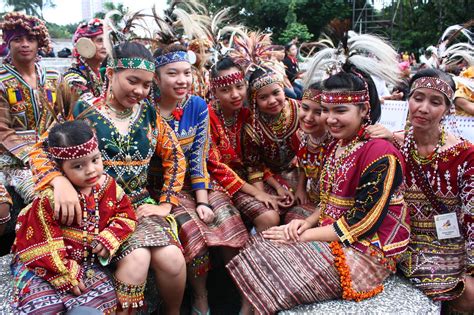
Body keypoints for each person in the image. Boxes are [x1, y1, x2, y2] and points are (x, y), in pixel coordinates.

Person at [227, 33, 409, 315]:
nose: (331, 119)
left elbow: (360, 225)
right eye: (326, 110)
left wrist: (302, 236)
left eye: (340, 110)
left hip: (368, 251)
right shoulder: (338, 144)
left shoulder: (379, 152)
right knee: (260, 244)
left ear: (363, 110)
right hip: (333, 232)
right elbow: (327, 200)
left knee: (271, 257)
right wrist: (305, 224)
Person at [29, 41, 187, 314]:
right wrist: (59, 181)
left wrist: (165, 205)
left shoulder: (149, 114)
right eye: (133, 81)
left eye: (147, 85)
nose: (139, 91)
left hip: (138, 205)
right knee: (137, 257)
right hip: (95, 204)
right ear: (111, 74)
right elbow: (41, 151)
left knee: (172, 259)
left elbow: (175, 157)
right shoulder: (83, 111)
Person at [151, 43, 249, 315]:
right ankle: (201, 297)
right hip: (162, 190)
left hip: (197, 183)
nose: (181, 80)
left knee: (229, 219)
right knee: (192, 232)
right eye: (172, 73)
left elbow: (198, 155)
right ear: (156, 78)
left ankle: (244, 295)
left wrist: (203, 200)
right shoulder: (146, 109)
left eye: (186, 73)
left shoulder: (197, 105)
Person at [369, 68, 474, 312]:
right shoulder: (393, 144)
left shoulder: (465, 154)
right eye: (418, 98)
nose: (423, 108)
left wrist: (471, 266)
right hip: (405, 240)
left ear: (448, 109)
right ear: (409, 100)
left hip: (452, 242)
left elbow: (471, 216)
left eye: (435, 102)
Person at [12, 120, 137, 314]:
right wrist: (64, 272)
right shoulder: (51, 199)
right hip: (45, 265)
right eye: (78, 166)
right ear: (60, 168)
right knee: (42, 307)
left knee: (102, 299)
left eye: (95, 160)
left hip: (86, 265)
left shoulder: (109, 186)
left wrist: (110, 236)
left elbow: (126, 214)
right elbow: (40, 241)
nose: (91, 170)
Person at [0, 12, 60, 236]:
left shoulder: (53, 77)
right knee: (46, 198)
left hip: (52, 154)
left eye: (31, 39)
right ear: (8, 43)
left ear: (40, 43)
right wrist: (31, 156)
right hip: (13, 162)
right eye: (17, 39)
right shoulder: (2, 80)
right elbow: (2, 130)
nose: (24, 44)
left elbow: (62, 116)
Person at [208, 56, 281, 231]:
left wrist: (276, 186)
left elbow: (256, 157)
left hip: (249, 176)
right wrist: (257, 192)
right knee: (268, 217)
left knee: (285, 201)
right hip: (218, 182)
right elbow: (214, 166)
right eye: (225, 90)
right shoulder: (207, 116)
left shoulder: (249, 112)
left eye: (239, 87)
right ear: (214, 92)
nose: (235, 94)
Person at [294, 83, 332, 206]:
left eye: (318, 112)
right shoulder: (302, 135)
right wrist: (301, 188)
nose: (309, 118)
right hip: (312, 195)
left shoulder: (335, 142)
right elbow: (302, 164)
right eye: (305, 108)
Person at [64, 18, 106, 98]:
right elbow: (88, 108)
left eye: (107, 41)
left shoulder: (103, 74)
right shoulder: (73, 79)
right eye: (100, 40)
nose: (105, 46)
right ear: (85, 44)